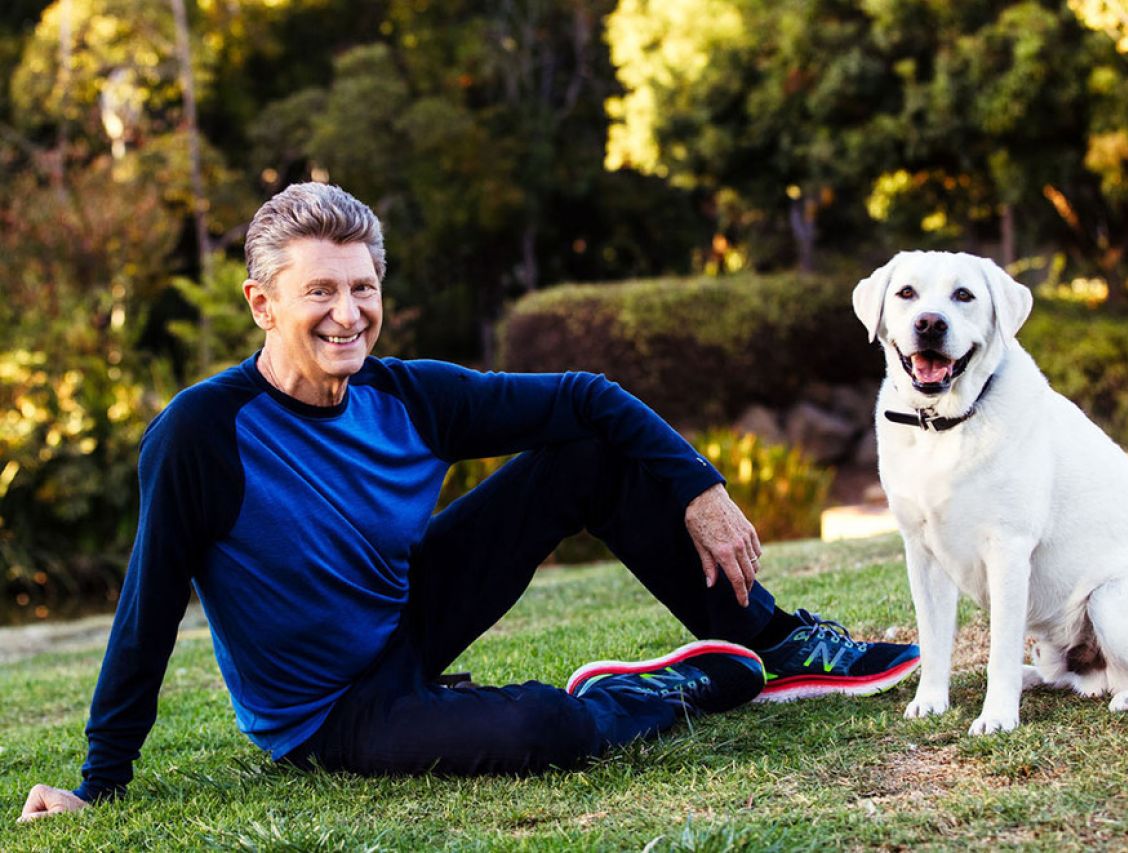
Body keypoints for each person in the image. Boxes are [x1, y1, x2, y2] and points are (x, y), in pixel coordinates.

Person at [19, 183, 919, 822]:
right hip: (331, 712)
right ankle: (666, 685)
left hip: (411, 619)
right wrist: (100, 782)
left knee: (583, 450)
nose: (347, 314)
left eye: (362, 288)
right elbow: (143, 613)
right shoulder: (201, 435)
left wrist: (700, 487)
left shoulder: (406, 394)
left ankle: (778, 638)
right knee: (545, 728)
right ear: (263, 303)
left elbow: (585, 395)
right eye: (319, 292)